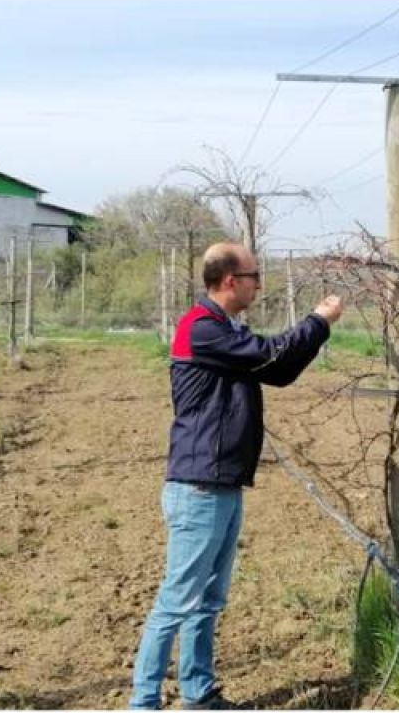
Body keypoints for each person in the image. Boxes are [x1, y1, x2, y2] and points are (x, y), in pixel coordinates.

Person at [130, 241, 343, 710]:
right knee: (176, 602)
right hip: (199, 487)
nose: (258, 284)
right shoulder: (202, 329)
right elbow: (272, 355)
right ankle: (143, 703)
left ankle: (199, 693)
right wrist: (319, 321)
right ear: (230, 280)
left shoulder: (223, 329)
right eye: (253, 276)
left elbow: (280, 370)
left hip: (222, 484)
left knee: (208, 601)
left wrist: (315, 330)